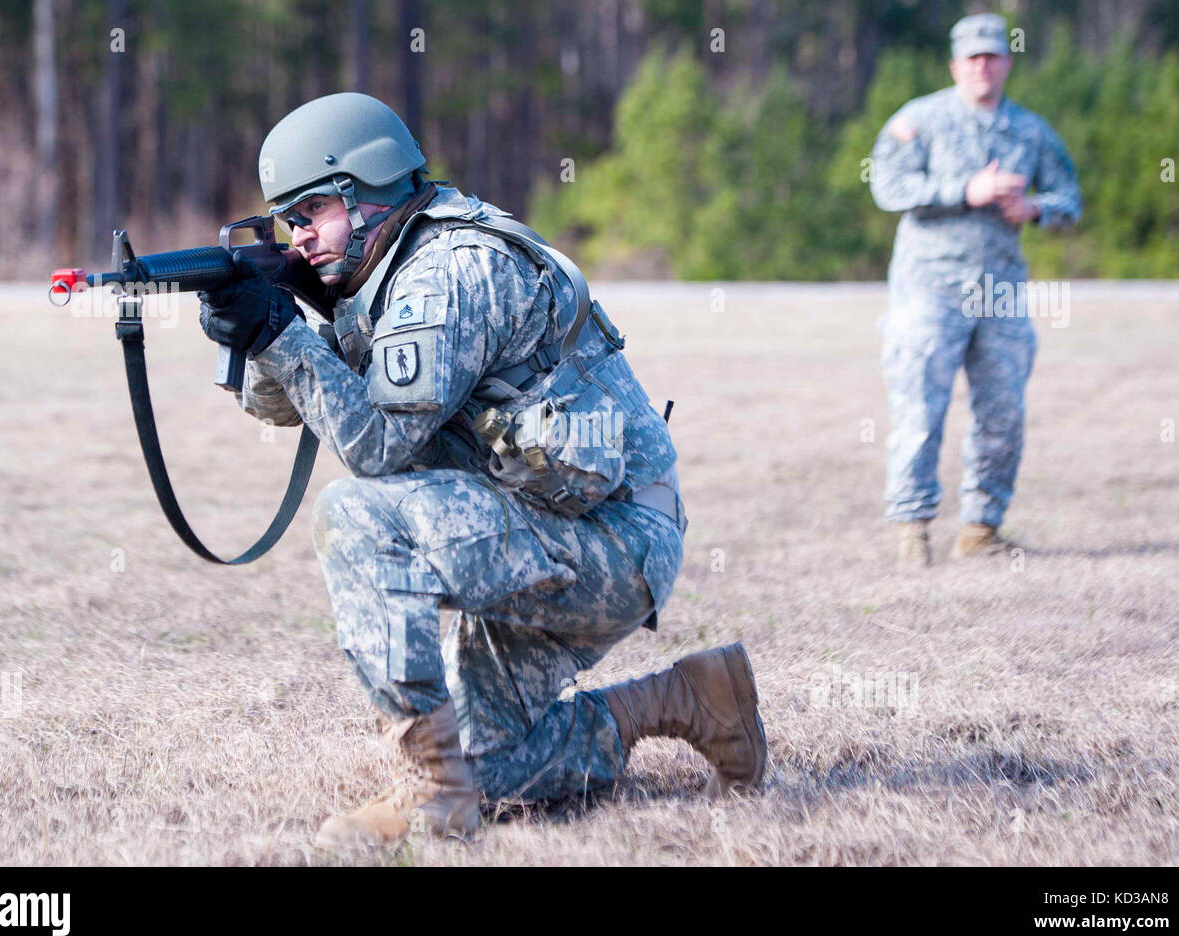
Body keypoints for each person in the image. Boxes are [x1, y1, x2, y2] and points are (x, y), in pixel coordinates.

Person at [196, 92, 767, 845]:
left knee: (356, 515)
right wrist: (266, 323)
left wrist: (285, 334)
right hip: (539, 528)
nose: (296, 237)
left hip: (614, 540)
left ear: (362, 192)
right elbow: (283, 409)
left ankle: (432, 793)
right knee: (492, 767)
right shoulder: (374, 276)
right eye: (285, 224)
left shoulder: (449, 271)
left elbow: (377, 448)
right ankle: (687, 698)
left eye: (307, 214)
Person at [870, 13, 1082, 565]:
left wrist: (1035, 208)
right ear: (955, 64)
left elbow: (1070, 198)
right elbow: (888, 186)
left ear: (1007, 62)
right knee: (919, 411)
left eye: (992, 55)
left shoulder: (1030, 131)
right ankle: (913, 533)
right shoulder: (919, 120)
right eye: (973, 57)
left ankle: (981, 532)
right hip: (929, 289)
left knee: (1003, 413)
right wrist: (967, 189)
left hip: (1000, 294)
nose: (983, 65)